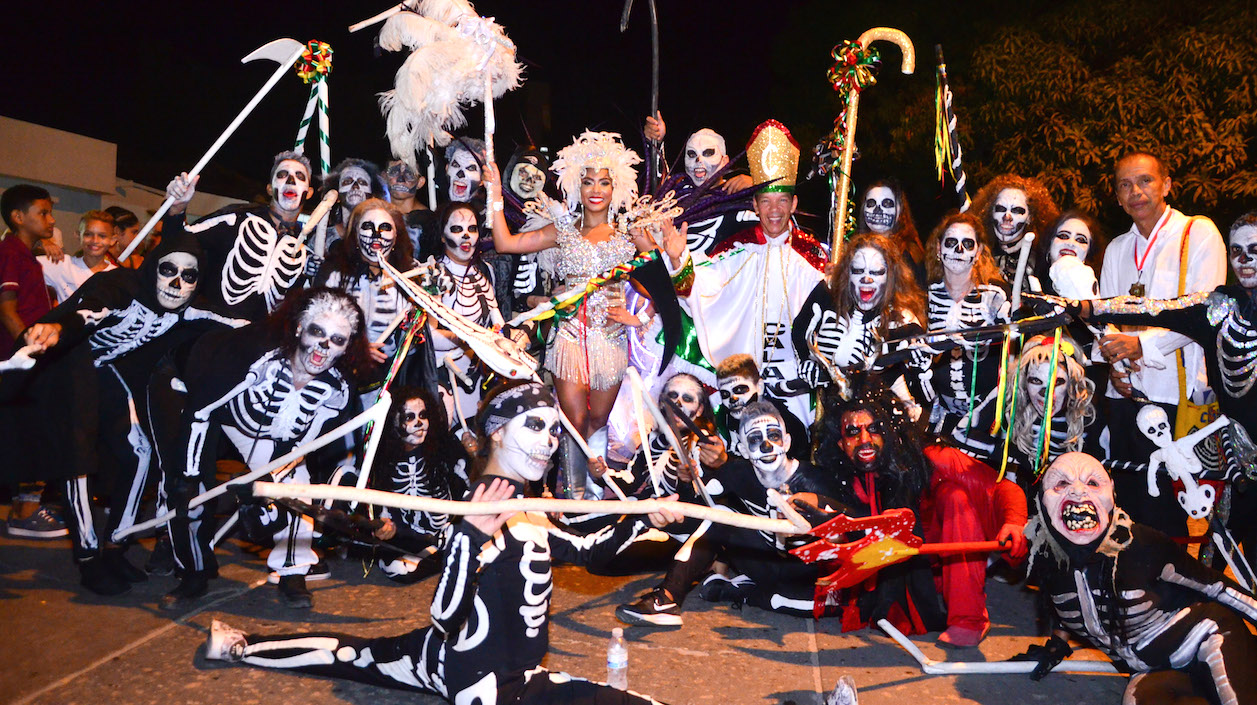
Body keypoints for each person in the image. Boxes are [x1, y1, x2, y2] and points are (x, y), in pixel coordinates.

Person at [203, 380, 684, 705]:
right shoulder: (471, 511)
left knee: (353, 655)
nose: (551, 441)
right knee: (349, 655)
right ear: (496, 432)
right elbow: (447, 617)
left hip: (517, 674)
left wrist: (642, 518)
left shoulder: (527, 507)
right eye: (534, 426)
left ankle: (241, 645)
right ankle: (241, 645)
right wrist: (472, 539)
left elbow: (590, 553)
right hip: (480, 683)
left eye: (555, 429)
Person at [21, 224, 245, 595]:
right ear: (153, 266)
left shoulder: (188, 309)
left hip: (107, 374)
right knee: (76, 461)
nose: (176, 283)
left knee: (139, 453)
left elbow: (240, 324)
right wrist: (59, 328)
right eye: (168, 270)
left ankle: (115, 544)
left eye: (188, 276)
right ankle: (89, 557)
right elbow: (88, 311)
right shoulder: (123, 287)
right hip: (68, 367)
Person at [162, 288, 368, 610]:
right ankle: (192, 572)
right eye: (317, 332)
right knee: (188, 489)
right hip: (211, 403)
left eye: (337, 340)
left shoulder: (338, 388)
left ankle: (293, 571)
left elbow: (304, 443)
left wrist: (269, 480)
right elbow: (200, 411)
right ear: (299, 327)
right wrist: (186, 476)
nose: (323, 347)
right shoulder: (254, 356)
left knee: (299, 486)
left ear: (347, 347)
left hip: (269, 431)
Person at [1015, 452, 1256, 705]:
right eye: (1061, 484)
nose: (1076, 491)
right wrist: (1057, 644)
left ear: (1111, 496)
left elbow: (1216, 586)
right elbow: (1073, 601)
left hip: (1206, 636)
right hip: (1153, 668)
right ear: (1042, 500)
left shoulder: (1139, 543)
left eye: (1093, 483)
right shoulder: (1048, 558)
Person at [813, 379, 1028, 647]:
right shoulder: (837, 475)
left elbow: (1000, 489)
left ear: (890, 432)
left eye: (875, 429)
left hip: (937, 566)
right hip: (874, 574)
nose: (864, 440)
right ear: (840, 444)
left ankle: (969, 616)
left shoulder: (930, 457)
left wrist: (1014, 523)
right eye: (853, 432)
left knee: (955, 496)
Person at [616, 400, 842, 626]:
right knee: (720, 513)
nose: (766, 446)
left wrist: (823, 514)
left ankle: (741, 592)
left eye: (773, 435)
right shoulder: (738, 473)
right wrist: (685, 482)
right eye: (755, 440)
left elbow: (857, 530)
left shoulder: (815, 481)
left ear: (787, 441)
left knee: (818, 602)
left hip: (807, 575)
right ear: (743, 449)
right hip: (763, 561)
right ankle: (667, 598)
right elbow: (694, 506)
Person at [486, 130, 649, 441]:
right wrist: (495, 192)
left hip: (611, 340)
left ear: (616, 186)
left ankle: (593, 488)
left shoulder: (630, 232)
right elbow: (504, 242)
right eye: (588, 181)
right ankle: (572, 490)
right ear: (577, 185)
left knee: (598, 421)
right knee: (574, 423)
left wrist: (640, 317)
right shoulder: (562, 230)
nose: (596, 190)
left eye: (604, 182)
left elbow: (665, 277)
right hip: (569, 340)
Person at [662, 120, 827, 426]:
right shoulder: (737, 246)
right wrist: (678, 260)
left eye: (781, 201)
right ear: (754, 204)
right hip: (745, 382)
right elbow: (698, 288)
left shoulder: (813, 255)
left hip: (798, 383)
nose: (773, 210)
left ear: (794, 203)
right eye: (765, 201)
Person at [1096, 152, 1226, 536]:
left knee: (1170, 513)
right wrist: (1117, 368)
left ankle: (1172, 596)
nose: (1135, 191)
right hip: (1123, 396)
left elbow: (1206, 312)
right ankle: (1128, 593)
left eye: (1145, 181)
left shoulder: (1196, 233)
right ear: (1117, 197)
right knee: (1127, 507)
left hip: (1176, 394)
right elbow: (1105, 316)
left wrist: (1142, 348)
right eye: (1124, 184)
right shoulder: (1118, 247)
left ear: (1166, 184)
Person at [163, 151, 316, 321]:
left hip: (257, 339)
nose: (290, 181)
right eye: (282, 175)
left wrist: (315, 275)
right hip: (207, 327)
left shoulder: (305, 252)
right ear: (270, 188)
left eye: (299, 176)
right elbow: (177, 242)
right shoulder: (234, 220)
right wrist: (177, 208)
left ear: (309, 193)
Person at [795, 233, 929, 415]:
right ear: (847, 273)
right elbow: (800, 330)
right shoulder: (828, 293)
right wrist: (807, 361)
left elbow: (915, 384)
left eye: (876, 272)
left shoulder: (903, 321)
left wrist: (921, 371)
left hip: (878, 413)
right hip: (828, 408)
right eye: (858, 271)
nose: (867, 279)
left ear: (890, 276)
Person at [0, 183, 66, 539]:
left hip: (23, 358)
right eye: (42, 212)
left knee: (32, 430)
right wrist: (30, 350)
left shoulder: (23, 252)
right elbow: (7, 309)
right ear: (17, 217)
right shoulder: (10, 252)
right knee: (28, 433)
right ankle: (25, 512)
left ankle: (25, 506)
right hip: (20, 360)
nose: (51, 219)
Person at [921, 211, 1010, 460]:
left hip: (988, 420)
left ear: (978, 252)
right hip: (941, 418)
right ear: (939, 249)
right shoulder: (923, 297)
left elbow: (1014, 352)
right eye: (951, 242)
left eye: (967, 244)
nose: (959, 250)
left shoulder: (995, 296)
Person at [314, 198, 418, 403]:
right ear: (355, 234)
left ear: (396, 236)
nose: (376, 235)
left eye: (385, 228)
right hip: (336, 381)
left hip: (390, 385)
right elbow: (314, 326)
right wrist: (353, 349)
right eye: (368, 227)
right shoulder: (334, 273)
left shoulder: (410, 277)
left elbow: (419, 340)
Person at [427, 201, 505, 435]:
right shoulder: (433, 275)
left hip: (480, 373)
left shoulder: (485, 272)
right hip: (444, 374)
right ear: (442, 236)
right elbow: (428, 337)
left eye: (471, 229)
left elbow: (497, 321)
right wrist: (469, 340)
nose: (465, 236)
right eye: (456, 229)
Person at [642, 113, 757, 254]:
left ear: (725, 161)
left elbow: (776, 218)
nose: (698, 160)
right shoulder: (676, 195)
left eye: (708, 153)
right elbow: (657, 182)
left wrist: (760, 186)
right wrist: (654, 143)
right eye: (691, 154)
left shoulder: (738, 197)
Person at [969, 174, 1060, 289]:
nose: (1007, 217)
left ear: (1030, 217)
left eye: (1016, 210)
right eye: (1000, 209)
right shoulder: (978, 255)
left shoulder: (1042, 261)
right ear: (990, 212)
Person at [855, 178, 926, 286]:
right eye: (871, 203)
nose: (877, 210)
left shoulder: (909, 255)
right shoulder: (855, 250)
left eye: (887, 204)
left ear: (899, 210)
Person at [38, 210, 117, 303]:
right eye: (88, 234)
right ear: (78, 235)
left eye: (102, 236)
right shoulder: (62, 264)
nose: (95, 240)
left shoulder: (117, 276)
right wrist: (42, 242)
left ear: (112, 240)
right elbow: (19, 261)